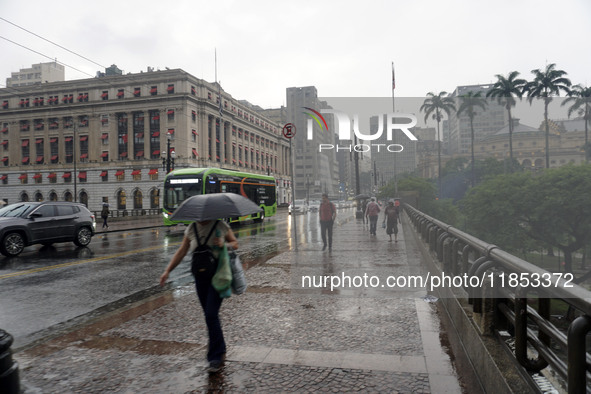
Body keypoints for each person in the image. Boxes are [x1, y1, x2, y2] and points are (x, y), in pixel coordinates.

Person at [159, 219, 238, 373]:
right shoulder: (191, 229)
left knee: (210, 314)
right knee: (210, 316)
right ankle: (220, 347)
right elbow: (182, 251)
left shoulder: (220, 225)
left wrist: (224, 244)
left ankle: (214, 357)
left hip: (218, 276)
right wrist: (168, 270)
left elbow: (235, 243)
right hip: (200, 278)